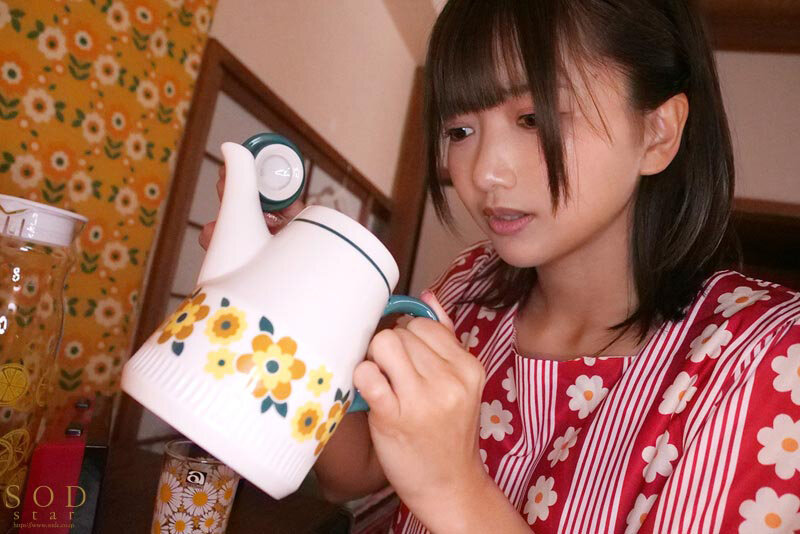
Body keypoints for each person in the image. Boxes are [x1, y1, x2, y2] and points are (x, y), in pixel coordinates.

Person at [202, 1, 800, 531]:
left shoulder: (762, 360)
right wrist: (295, 295)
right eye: (460, 129)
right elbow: (350, 474)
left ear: (657, 132)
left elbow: (427, 485)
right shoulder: (470, 286)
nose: (484, 171)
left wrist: (453, 490)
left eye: (534, 118)